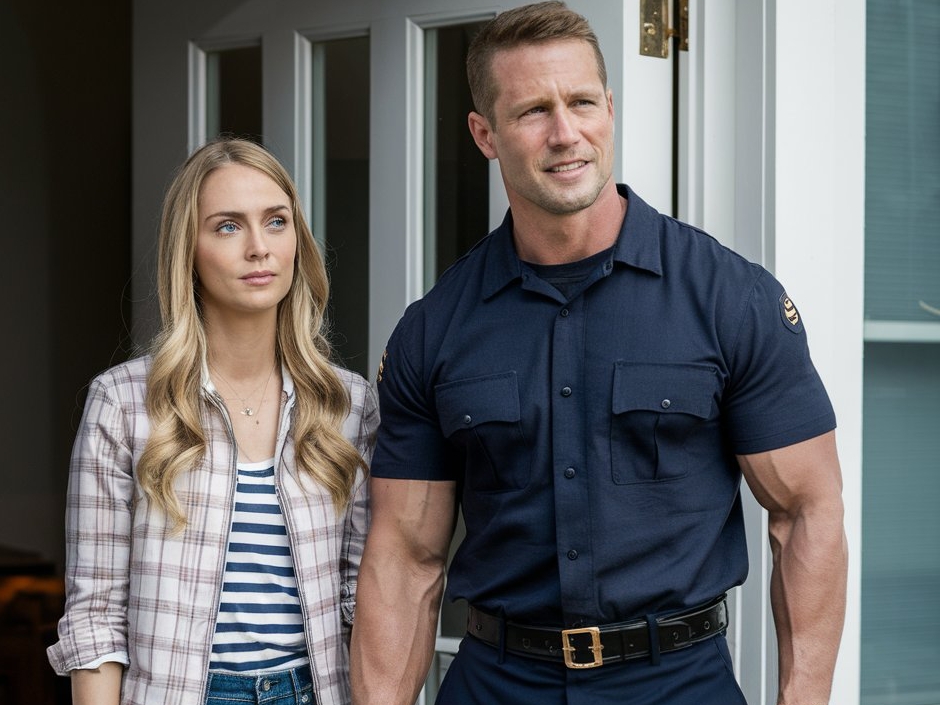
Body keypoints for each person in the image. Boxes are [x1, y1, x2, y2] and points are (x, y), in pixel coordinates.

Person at [350, 2, 847, 704]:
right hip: (499, 683)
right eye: (532, 112)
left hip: (677, 684)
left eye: (582, 102)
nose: (566, 133)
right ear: (484, 133)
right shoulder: (435, 328)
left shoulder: (730, 299)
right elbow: (405, 557)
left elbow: (807, 510)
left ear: (609, 107)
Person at [47, 137, 378, 705]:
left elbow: (366, 602)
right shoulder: (123, 403)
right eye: (228, 226)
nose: (259, 248)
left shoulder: (348, 404)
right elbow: (96, 616)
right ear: (189, 251)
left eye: (276, 222)